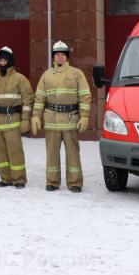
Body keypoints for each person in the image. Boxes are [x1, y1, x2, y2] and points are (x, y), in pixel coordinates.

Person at [32, 41, 92, 193]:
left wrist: (84, 117)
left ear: (67, 57)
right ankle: (52, 181)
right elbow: (39, 98)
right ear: (54, 57)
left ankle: (75, 183)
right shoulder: (46, 75)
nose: (60, 57)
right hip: (51, 120)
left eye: (62, 54)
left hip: (70, 119)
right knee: (51, 153)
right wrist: (36, 116)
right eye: (57, 54)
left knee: (73, 153)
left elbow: (85, 97)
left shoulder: (76, 74)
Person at [0, 47, 34, 189]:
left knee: (15, 152)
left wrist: (25, 120)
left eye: (5, 60)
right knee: (0, 153)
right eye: (1, 60)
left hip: (13, 120)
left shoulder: (20, 79)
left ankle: (18, 179)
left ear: (11, 61)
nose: (3, 63)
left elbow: (28, 100)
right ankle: (5, 178)